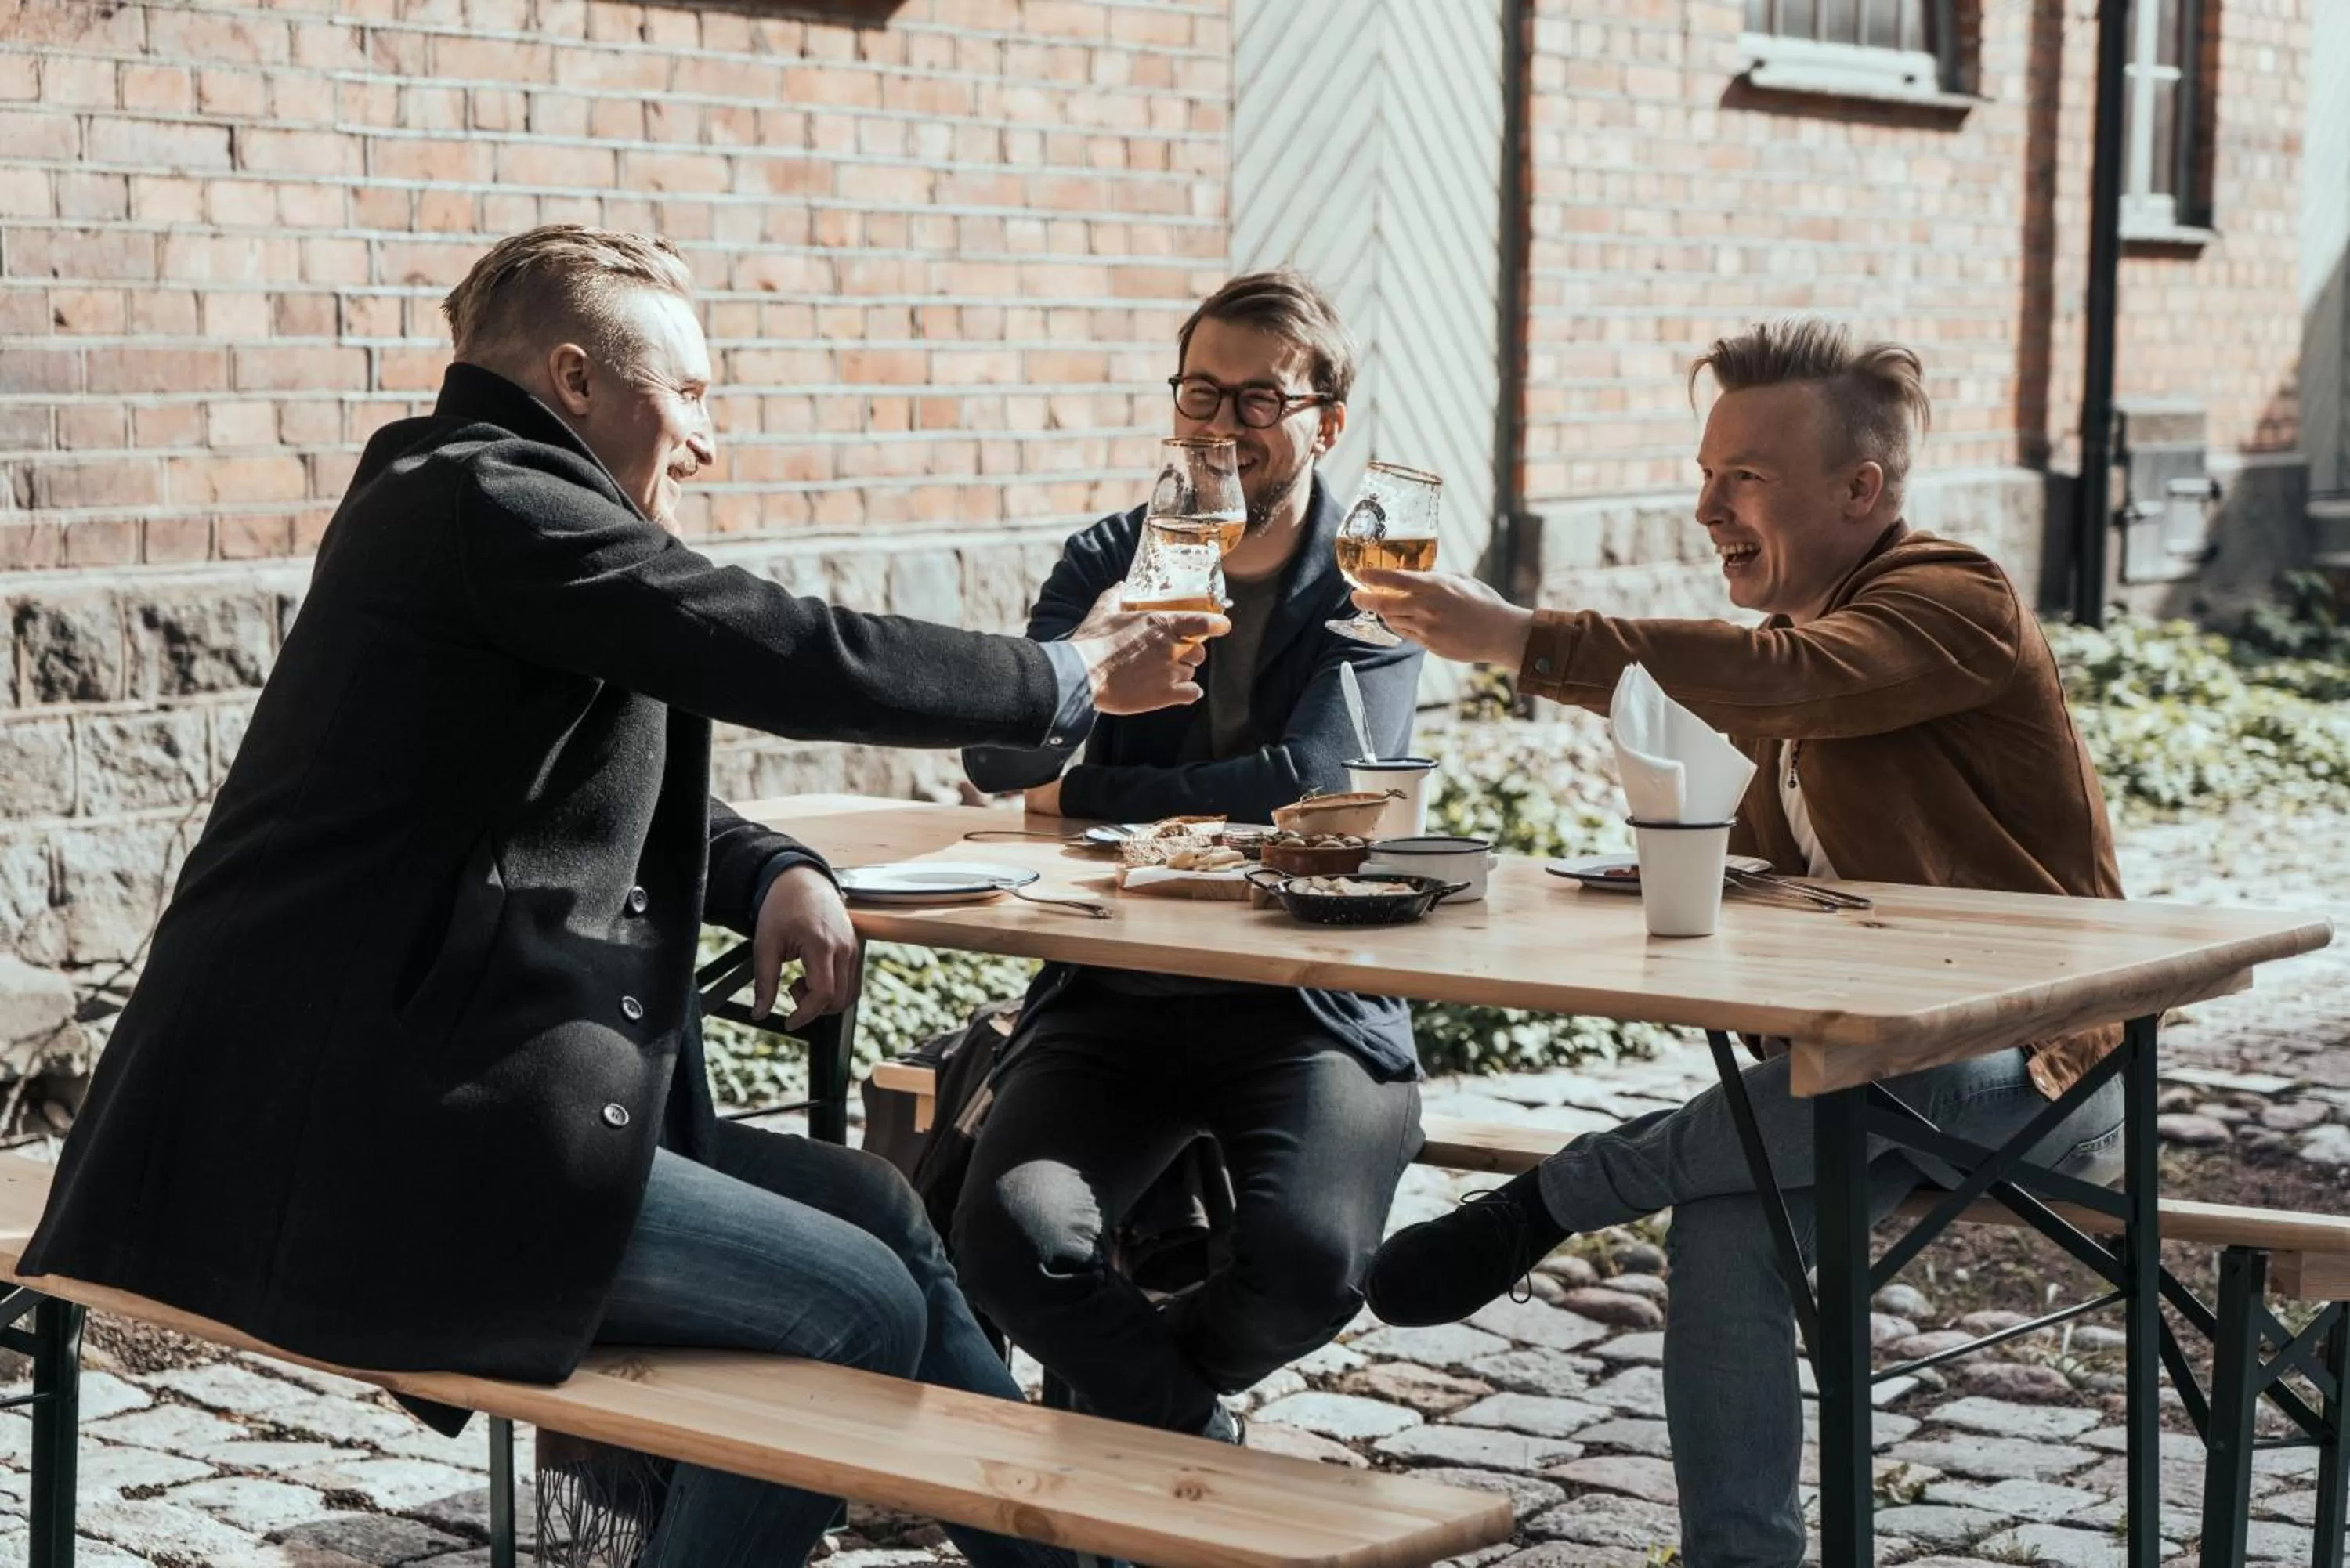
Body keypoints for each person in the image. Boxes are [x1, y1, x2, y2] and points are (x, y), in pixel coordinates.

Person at [20, 224, 1226, 1568]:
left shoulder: (472, 501)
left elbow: (568, 780)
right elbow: (778, 646)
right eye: (690, 395)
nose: (707, 442)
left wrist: (768, 866)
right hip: (384, 1153)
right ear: (578, 379)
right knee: (857, 1305)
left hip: (429, 1110)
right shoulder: (492, 499)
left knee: (881, 1210)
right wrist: (1065, 673)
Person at [1350, 318, 2128, 1568]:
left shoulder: (1956, 600)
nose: (1707, 506)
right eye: (1707, 473)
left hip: (2042, 1073)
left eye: (1744, 477)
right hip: (1859, 1074)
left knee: (1872, 1081)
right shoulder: (1790, 659)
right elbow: (1775, 819)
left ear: (1860, 489)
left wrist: (1517, 637)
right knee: (1727, 1223)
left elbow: (1795, 678)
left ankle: (1552, 1198)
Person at [951, 270, 1426, 1443]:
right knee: (1008, 1242)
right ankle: (1196, 1446)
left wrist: (1085, 791)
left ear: (1327, 423)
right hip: (1118, 992)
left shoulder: (1377, 573)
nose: (1222, 425)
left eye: (1260, 399)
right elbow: (997, 757)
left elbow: (1315, 788)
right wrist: (1085, 677)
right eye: (1200, 392)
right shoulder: (1114, 559)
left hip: (1309, 999)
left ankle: (1137, 1410)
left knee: (1312, 1268)